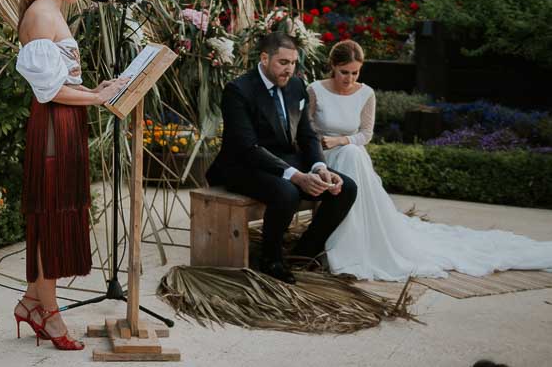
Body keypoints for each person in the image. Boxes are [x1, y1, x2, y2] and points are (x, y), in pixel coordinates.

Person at [310, 39, 552, 281]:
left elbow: (366, 134)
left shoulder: (366, 93)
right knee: (351, 155)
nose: (349, 79)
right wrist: (322, 143)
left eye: (355, 72)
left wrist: (341, 140)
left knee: (353, 153)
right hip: (322, 155)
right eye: (344, 72)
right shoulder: (315, 90)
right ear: (333, 66)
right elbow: (305, 129)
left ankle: (353, 245)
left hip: (349, 151)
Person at [12, 0, 127, 351]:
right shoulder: (42, 16)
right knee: (51, 217)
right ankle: (51, 315)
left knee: (56, 211)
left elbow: (64, 83)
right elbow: (51, 92)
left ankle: (31, 302)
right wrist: (96, 97)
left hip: (64, 123)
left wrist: (96, 90)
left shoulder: (52, 11)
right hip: (53, 127)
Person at [205, 32, 358, 284]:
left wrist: (320, 167)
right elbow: (247, 146)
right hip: (242, 164)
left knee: (345, 188)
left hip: (285, 159)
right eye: (283, 63)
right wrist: (296, 176)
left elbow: (308, 134)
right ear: (264, 58)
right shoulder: (238, 90)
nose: (289, 69)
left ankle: (303, 253)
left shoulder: (296, 85)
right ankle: (271, 259)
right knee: (287, 192)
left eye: (293, 63)